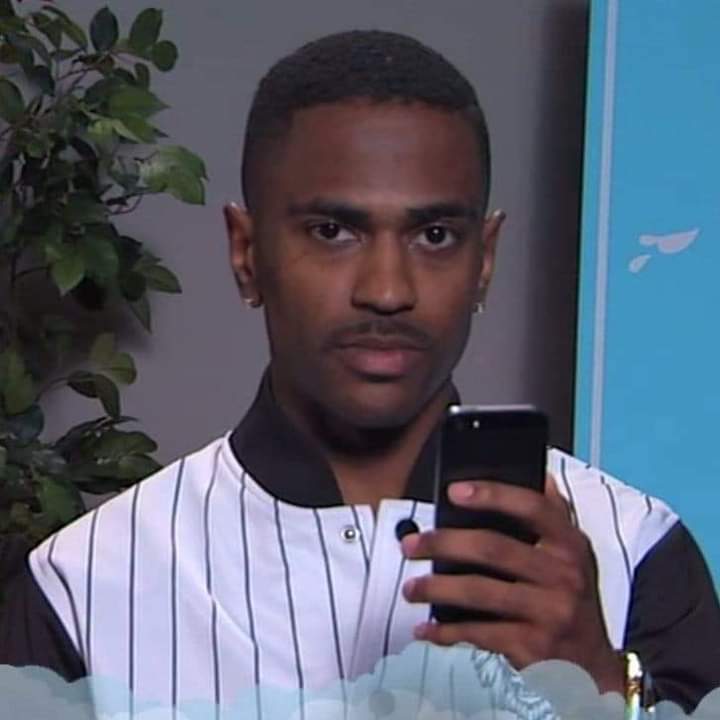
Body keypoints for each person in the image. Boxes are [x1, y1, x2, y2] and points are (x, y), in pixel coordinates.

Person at [1, 29, 719, 714]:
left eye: (434, 235)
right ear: (246, 253)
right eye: (333, 231)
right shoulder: (83, 586)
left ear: (485, 259)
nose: (387, 289)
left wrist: (598, 688)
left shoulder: (635, 551)